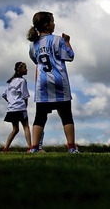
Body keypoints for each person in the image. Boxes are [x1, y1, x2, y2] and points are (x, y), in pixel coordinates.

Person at [27, 11, 78, 153]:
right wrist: (67, 42)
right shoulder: (57, 40)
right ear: (46, 25)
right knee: (66, 115)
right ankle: (72, 147)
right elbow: (70, 56)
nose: (54, 23)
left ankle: (34, 147)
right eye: (52, 21)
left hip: (42, 83)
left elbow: (35, 60)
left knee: (40, 116)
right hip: (59, 81)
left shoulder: (33, 45)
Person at [1, 61, 32, 152]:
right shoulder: (22, 81)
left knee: (15, 129)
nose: (26, 70)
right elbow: (25, 95)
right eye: (25, 68)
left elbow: (4, 95)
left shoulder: (11, 82)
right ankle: (30, 148)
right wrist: (25, 106)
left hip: (11, 109)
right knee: (26, 126)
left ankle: (5, 148)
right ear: (19, 70)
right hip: (20, 108)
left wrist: (11, 102)